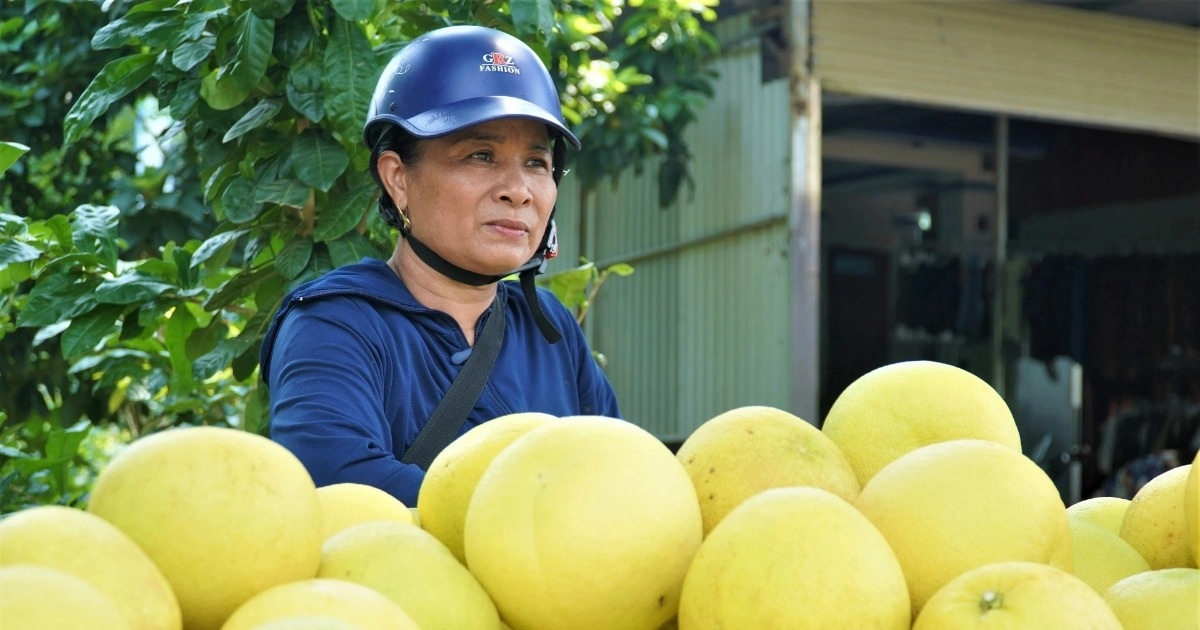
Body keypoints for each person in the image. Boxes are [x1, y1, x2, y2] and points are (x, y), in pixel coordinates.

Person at [259, 25, 621, 507]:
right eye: (481, 155)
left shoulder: (550, 330)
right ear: (398, 179)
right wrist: (535, 520)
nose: (519, 189)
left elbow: (621, 475)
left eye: (537, 163)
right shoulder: (333, 323)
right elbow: (339, 481)